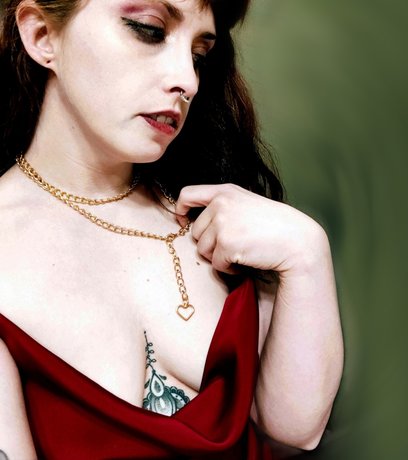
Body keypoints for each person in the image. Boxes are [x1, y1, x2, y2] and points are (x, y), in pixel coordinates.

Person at [0, 0, 344, 458]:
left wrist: (307, 252)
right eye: (149, 29)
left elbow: (296, 430)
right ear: (42, 35)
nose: (187, 80)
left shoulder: (216, 212)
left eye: (199, 55)